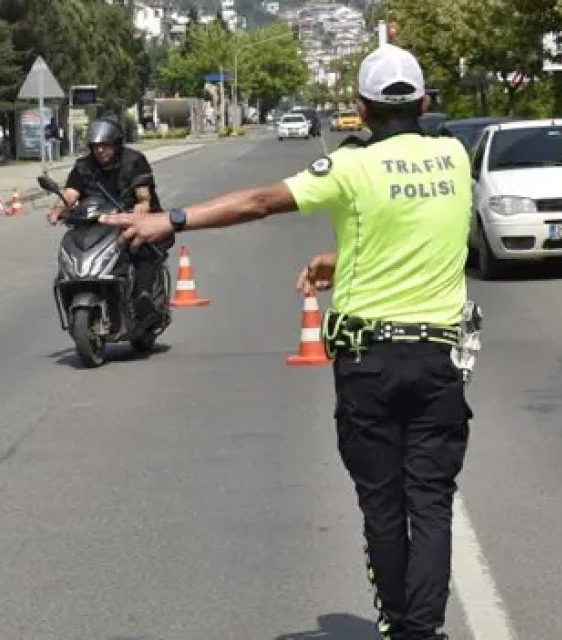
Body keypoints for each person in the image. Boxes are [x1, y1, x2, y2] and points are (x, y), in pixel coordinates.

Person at [97, 44, 474, 640]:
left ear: (362, 108)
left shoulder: (353, 168)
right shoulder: (455, 157)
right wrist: (339, 257)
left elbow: (260, 201)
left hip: (369, 362)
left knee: (383, 506)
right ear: (424, 102)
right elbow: (411, 232)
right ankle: (422, 633)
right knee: (429, 504)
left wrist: (170, 220)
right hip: (438, 361)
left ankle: (403, 629)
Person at [48, 116, 171, 317]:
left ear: (116, 144)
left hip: (132, 220)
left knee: (138, 247)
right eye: (96, 146)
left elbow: (143, 198)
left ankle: (143, 295)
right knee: (76, 242)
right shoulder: (84, 166)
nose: (100, 151)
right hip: (97, 222)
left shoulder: (134, 161)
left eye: (105, 145)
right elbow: (71, 193)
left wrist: (139, 212)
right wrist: (56, 211)